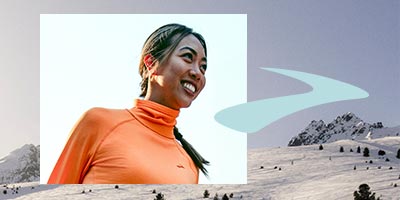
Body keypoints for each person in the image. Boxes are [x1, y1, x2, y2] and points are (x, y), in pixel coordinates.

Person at [48, 23, 209, 184]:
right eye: (188, 57)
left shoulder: (190, 165)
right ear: (151, 63)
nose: (197, 73)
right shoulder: (99, 122)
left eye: (203, 67)